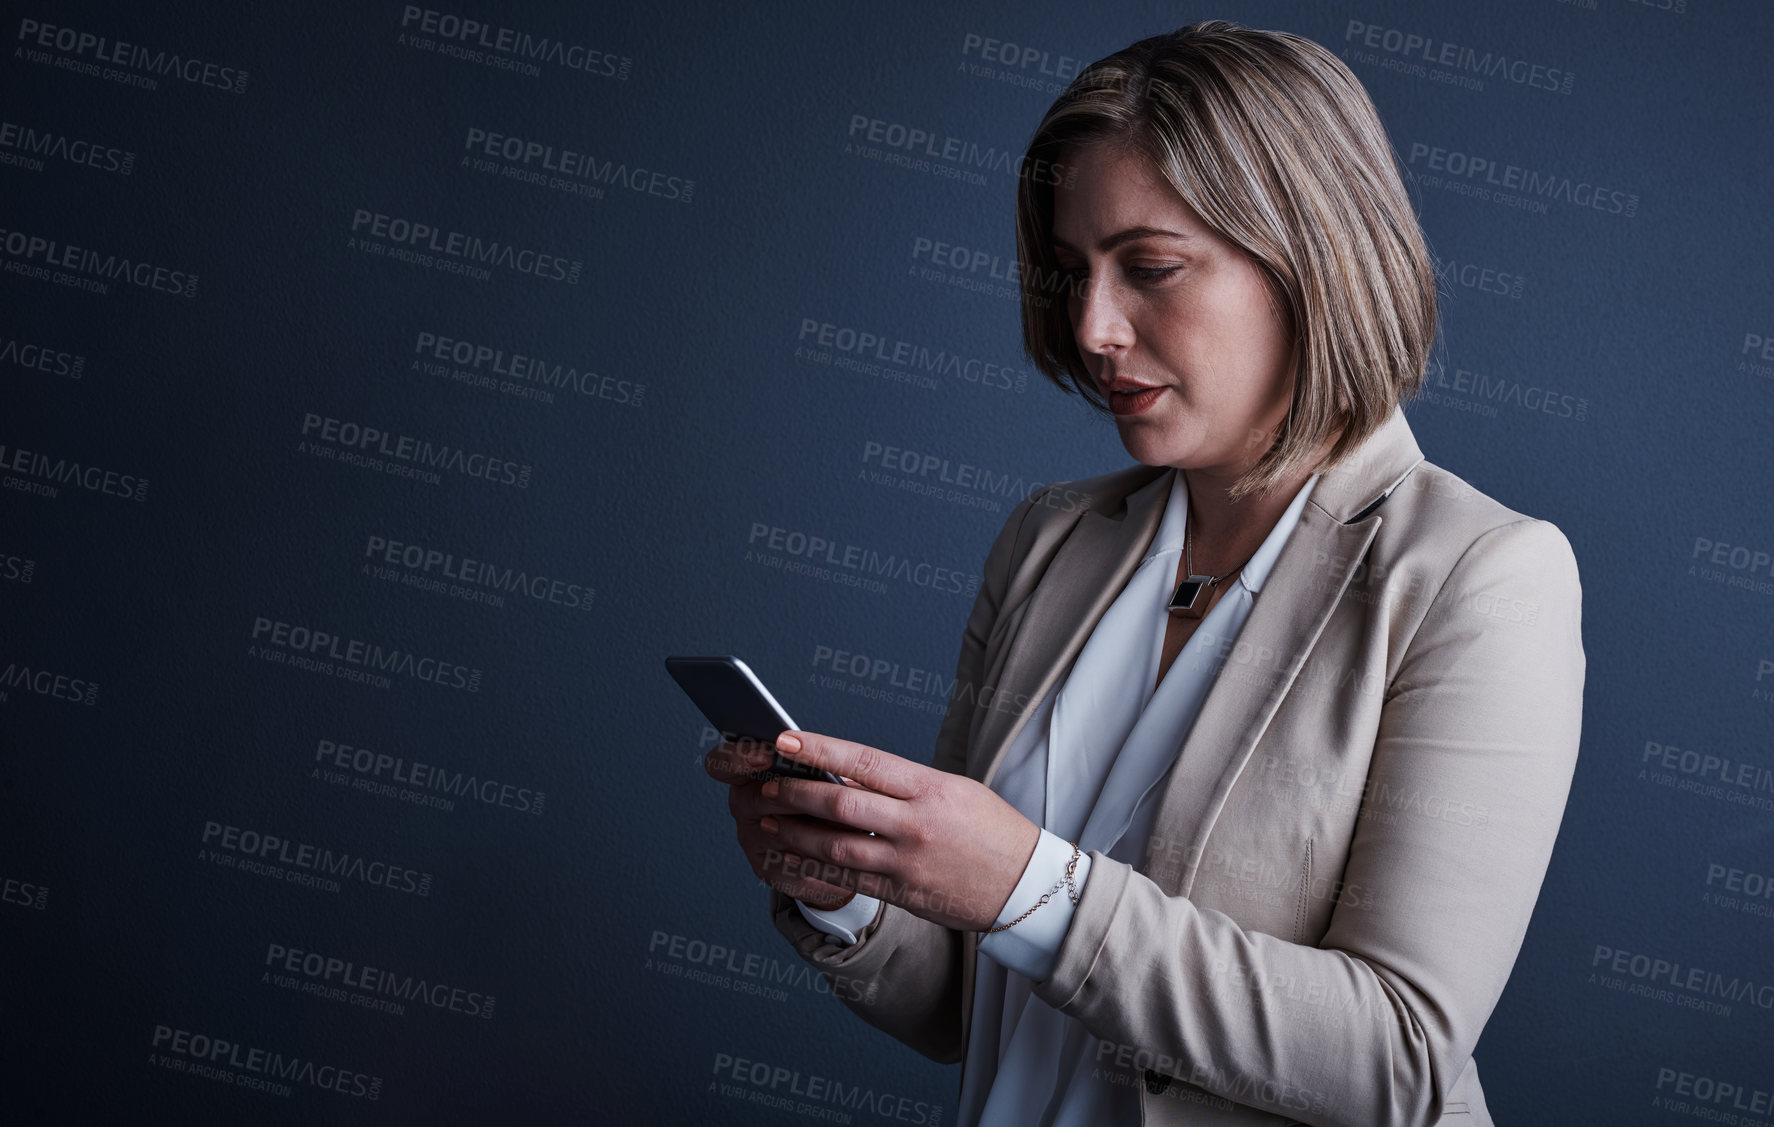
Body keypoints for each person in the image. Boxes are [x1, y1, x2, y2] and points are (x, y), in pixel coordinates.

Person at [705, 20, 1584, 1127]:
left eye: (1150, 267)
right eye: (1070, 271)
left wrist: (1030, 882)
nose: (1092, 325)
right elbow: (968, 1006)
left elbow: (1396, 1058)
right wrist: (843, 892)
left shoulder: (1479, 575)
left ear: (1309, 254)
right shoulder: (1051, 540)